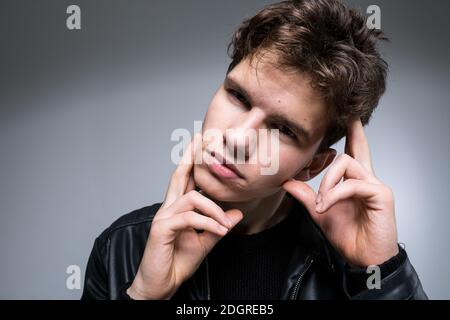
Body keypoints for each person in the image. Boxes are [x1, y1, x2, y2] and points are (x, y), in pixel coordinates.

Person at [81, 0, 427, 300]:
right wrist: (144, 295)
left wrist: (381, 271)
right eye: (238, 97)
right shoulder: (120, 247)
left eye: (283, 129)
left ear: (312, 166)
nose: (238, 139)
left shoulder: (349, 265)